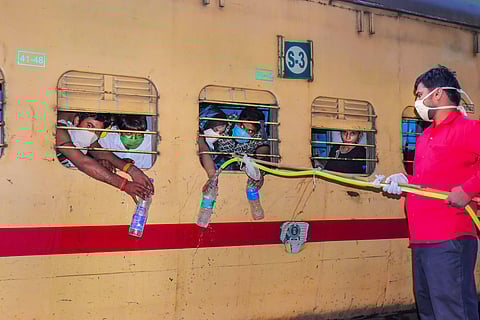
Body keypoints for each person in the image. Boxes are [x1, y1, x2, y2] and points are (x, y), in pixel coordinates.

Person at [380, 66, 478, 320]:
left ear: (437, 95)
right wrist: (404, 181)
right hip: (422, 239)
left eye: (419, 94)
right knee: (430, 311)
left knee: (451, 310)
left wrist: (468, 190)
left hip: (449, 238)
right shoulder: (425, 138)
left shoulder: (469, 129)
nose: (416, 102)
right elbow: (428, 182)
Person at [56, 112, 154, 203]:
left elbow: (101, 153)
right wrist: (125, 185)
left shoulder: (84, 136)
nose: (91, 133)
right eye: (89, 125)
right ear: (77, 120)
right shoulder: (59, 132)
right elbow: (84, 162)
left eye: (97, 132)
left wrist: (132, 170)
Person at [197, 106, 228, 179]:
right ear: (204, 125)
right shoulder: (197, 143)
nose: (218, 135)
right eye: (215, 130)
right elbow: (204, 151)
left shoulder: (219, 147)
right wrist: (212, 177)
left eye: (221, 133)